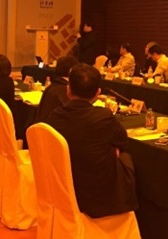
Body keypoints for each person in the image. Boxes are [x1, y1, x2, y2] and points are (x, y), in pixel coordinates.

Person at [44, 64, 138, 218]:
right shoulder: (103, 117)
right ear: (97, 93)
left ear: (68, 90)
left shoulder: (55, 116)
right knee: (124, 155)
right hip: (97, 198)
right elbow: (123, 142)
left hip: (62, 188)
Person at [32, 55, 79, 124]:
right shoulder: (67, 91)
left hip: (41, 127)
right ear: (71, 70)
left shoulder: (51, 87)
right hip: (54, 129)